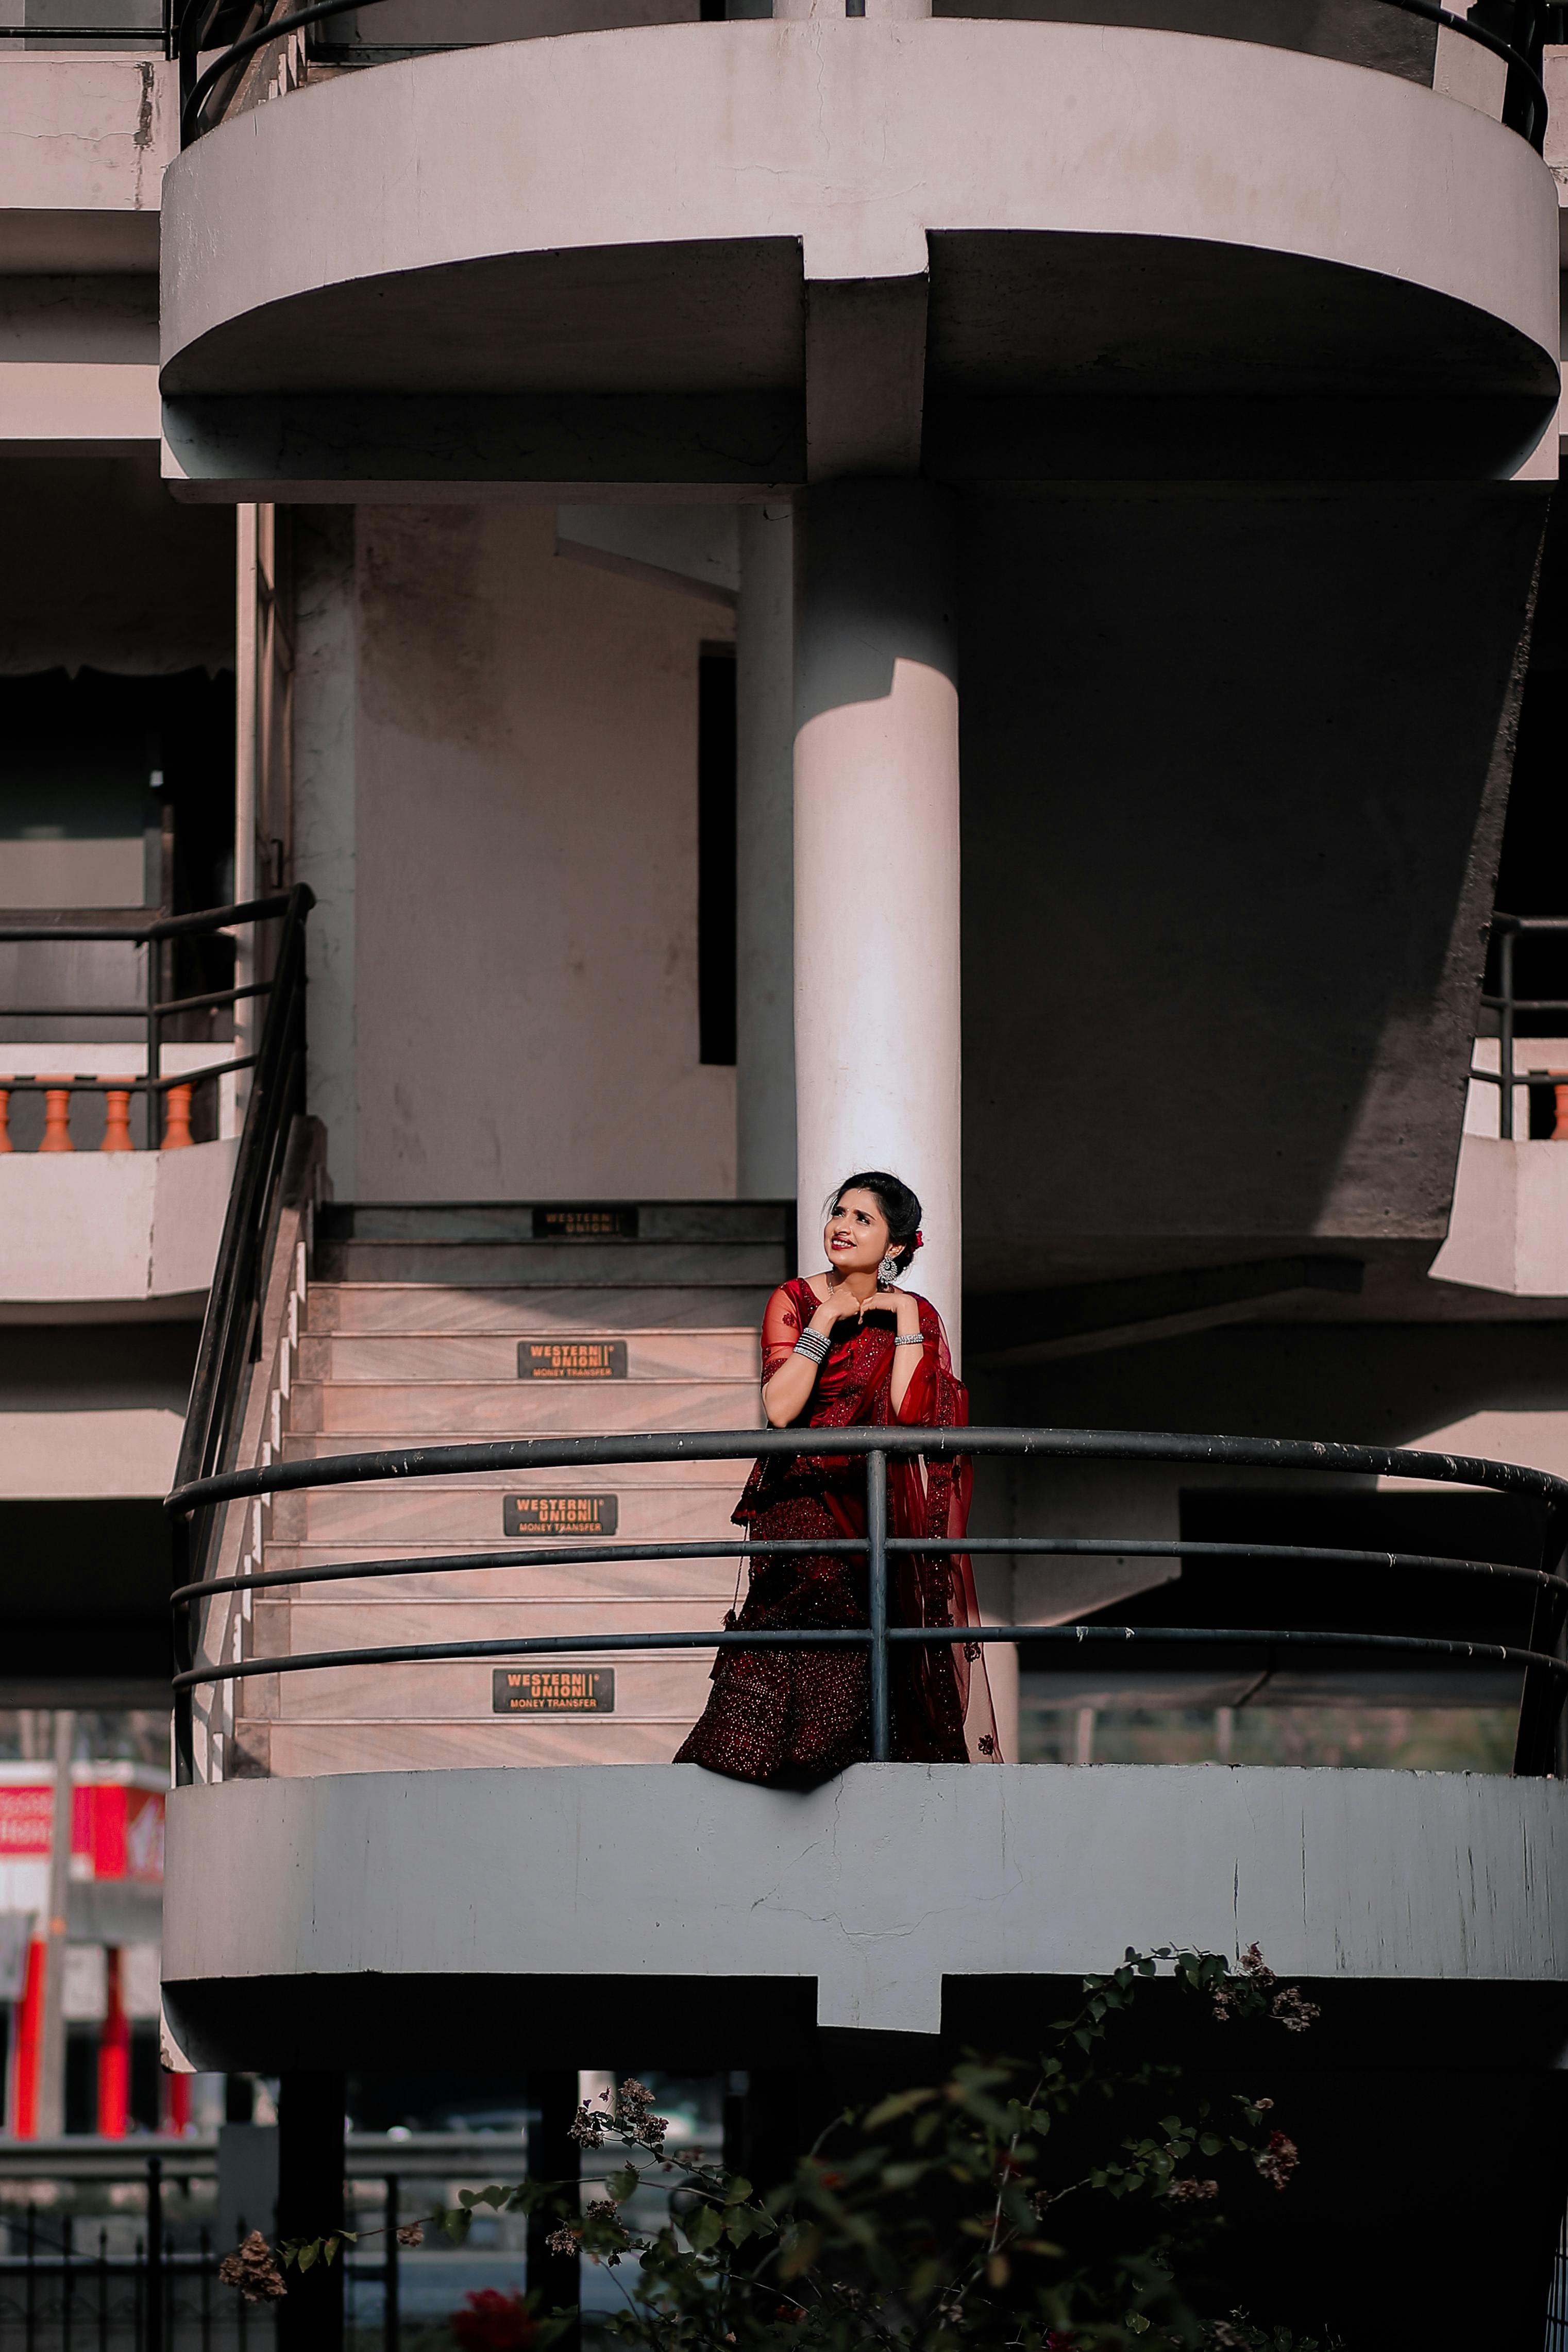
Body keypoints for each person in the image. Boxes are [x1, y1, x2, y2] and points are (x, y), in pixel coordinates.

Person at [674, 1171, 999, 1785]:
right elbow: (780, 1409)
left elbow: (909, 1415)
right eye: (839, 1213)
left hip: (873, 1505)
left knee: (871, 1626)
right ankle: (773, 1749)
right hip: (797, 1499)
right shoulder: (794, 1299)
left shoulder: (916, 1314)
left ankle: (835, 1756)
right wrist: (823, 1323)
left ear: (897, 1246)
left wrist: (901, 1314)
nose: (842, 1227)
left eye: (863, 1219)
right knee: (811, 1598)